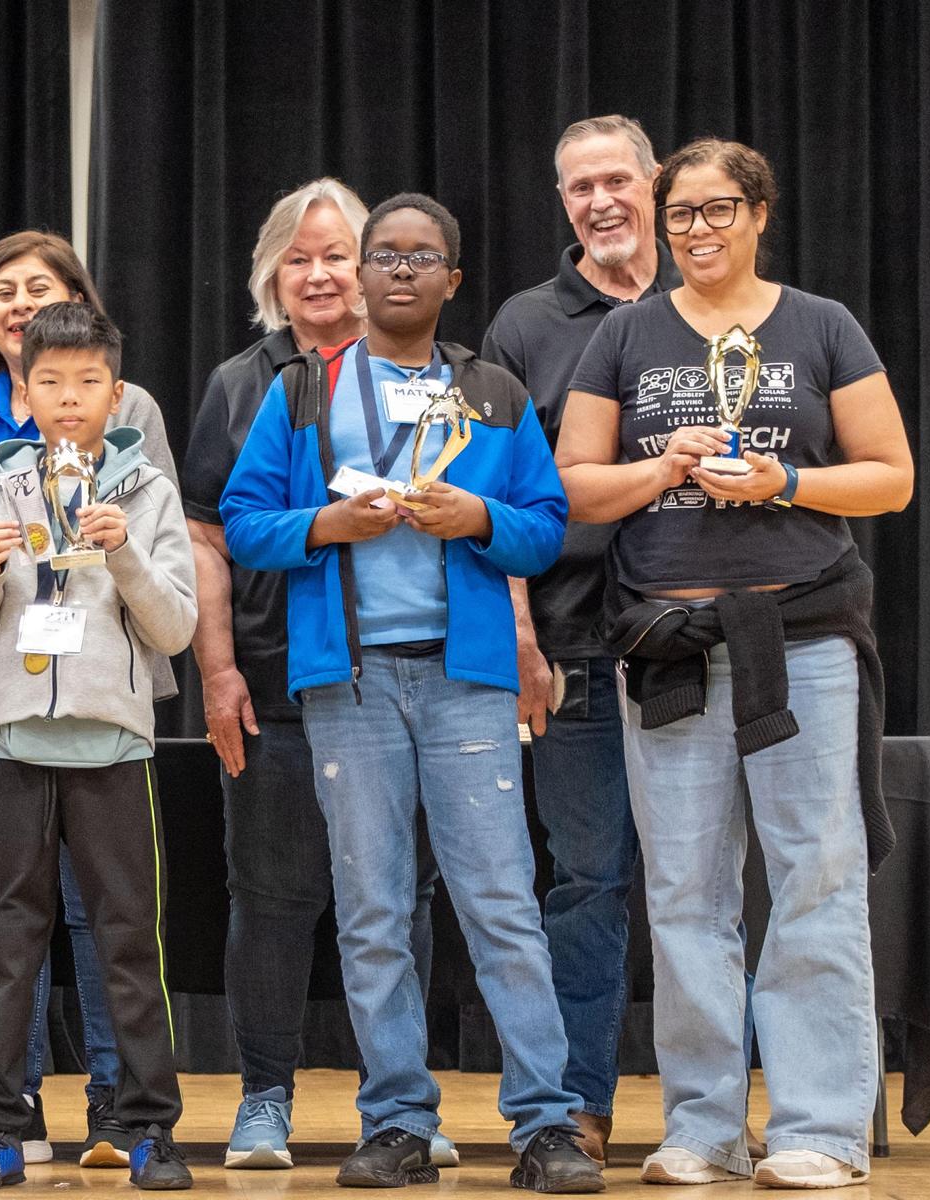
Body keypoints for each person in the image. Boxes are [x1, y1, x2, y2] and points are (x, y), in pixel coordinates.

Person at [221, 193, 605, 1193]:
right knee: (371, 908)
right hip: (347, 685)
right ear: (356, 276)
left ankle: (542, 1126)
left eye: (418, 257)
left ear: (450, 280)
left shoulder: (491, 393)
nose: (396, 272)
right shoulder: (302, 392)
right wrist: (322, 526)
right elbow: (244, 520)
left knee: (498, 904)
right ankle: (393, 1118)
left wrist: (478, 513)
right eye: (379, 255)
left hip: (464, 681)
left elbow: (543, 526)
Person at [557, 138, 913, 1189]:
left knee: (812, 878)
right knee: (681, 892)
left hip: (798, 639)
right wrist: (655, 464)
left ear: (758, 213)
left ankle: (818, 1129)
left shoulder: (820, 325)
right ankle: (701, 1127)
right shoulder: (624, 334)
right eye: (678, 216)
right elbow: (573, 488)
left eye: (715, 211)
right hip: (665, 645)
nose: (695, 232)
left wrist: (785, 485)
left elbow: (888, 478)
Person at [183, 177, 454, 1171]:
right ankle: (263, 1098)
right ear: (270, 277)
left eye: (335, 253)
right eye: (294, 258)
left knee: (400, 898)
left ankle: (405, 1109)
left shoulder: (428, 375)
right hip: (271, 677)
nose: (317, 273)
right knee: (271, 895)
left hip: (402, 673)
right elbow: (206, 537)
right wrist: (215, 670)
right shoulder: (239, 382)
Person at [0, 302, 198, 1191]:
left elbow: (175, 629)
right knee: (9, 941)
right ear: (25, 388)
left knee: (129, 940)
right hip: (12, 743)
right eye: (49, 381)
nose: (69, 397)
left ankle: (148, 1130)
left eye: (88, 381)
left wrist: (125, 557)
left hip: (114, 747)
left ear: (115, 392)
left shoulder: (147, 492)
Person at [478, 116, 680, 1165]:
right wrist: (517, 633)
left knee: (701, 879)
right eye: (575, 188)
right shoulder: (524, 323)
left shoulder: (707, 310)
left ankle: (703, 1114)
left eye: (614, 181)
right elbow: (501, 493)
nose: (597, 202)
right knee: (587, 883)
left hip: (698, 640)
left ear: (653, 184)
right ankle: (579, 1106)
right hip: (576, 645)